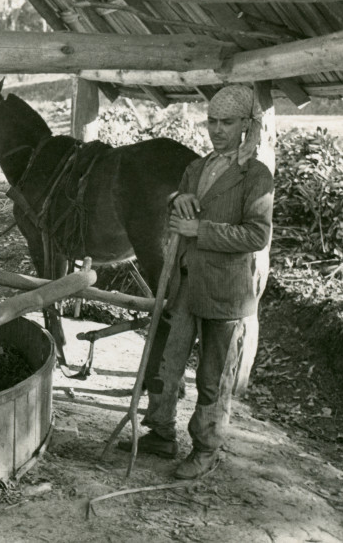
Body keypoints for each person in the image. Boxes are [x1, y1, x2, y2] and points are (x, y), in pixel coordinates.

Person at [119, 84, 274, 480]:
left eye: (227, 122)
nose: (217, 130)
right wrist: (177, 199)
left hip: (225, 291)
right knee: (168, 362)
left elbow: (257, 235)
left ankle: (206, 448)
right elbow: (183, 202)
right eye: (212, 121)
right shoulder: (197, 168)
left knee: (212, 375)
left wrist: (199, 230)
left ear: (245, 125)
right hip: (185, 284)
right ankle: (161, 433)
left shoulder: (256, 176)